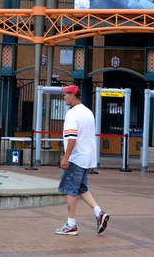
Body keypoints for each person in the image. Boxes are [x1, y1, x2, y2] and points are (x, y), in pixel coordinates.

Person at [55, 85, 109, 236]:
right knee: (82, 188)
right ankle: (99, 213)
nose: (64, 97)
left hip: (76, 158)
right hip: (87, 158)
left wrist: (66, 157)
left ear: (73, 95)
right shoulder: (88, 112)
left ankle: (71, 225)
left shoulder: (73, 114)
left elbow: (72, 138)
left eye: (65, 94)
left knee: (70, 190)